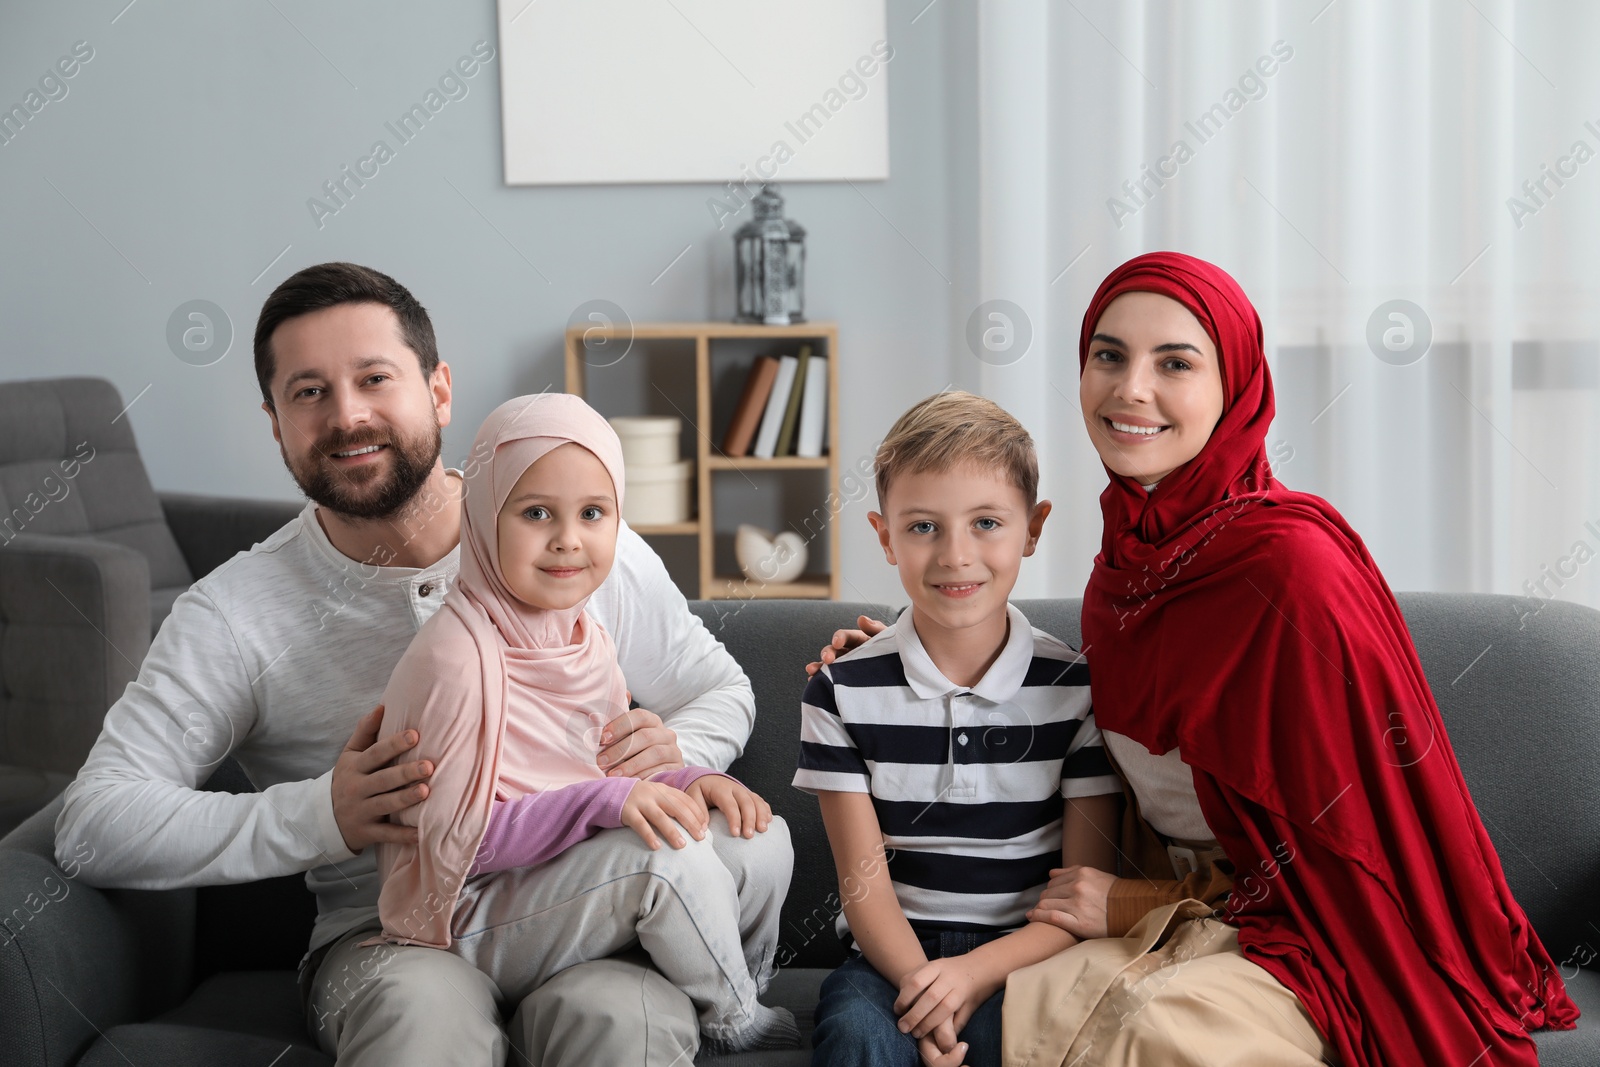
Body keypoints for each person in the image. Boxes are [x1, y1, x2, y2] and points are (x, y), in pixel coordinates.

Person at [55, 261, 753, 1065]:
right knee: (423, 1020)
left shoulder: (577, 538)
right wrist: (323, 814)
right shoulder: (233, 612)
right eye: (308, 392)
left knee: (621, 1020)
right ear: (275, 423)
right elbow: (93, 822)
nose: (347, 415)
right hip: (386, 939)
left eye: (374, 377)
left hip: (590, 901)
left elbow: (721, 687)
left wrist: (677, 751)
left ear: (439, 390)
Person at [368, 391, 798, 1053]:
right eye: (537, 512)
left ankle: (730, 974)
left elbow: (606, 769)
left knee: (762, 837)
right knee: (669, 862)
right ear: (485, 516)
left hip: (568, 878)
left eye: (593, 513)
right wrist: (609, 801)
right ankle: (733, 1016)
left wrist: (690, 777)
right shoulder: (454, 657)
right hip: (471, 913)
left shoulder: (582, 631)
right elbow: (456, 842)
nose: (569, 538)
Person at [795, 392, 1122, 1067]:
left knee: (1045, 1040)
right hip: (889, 959)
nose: (955, 553)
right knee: (856, 1036)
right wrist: (926, 987)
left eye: (986, 523)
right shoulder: (841, 689)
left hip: (1026, 956)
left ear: (1032, 528)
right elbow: (864, 889)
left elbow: (1082, 890)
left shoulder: (1078, 690)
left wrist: (973, 976)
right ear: (885, 535)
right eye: (923, 527)